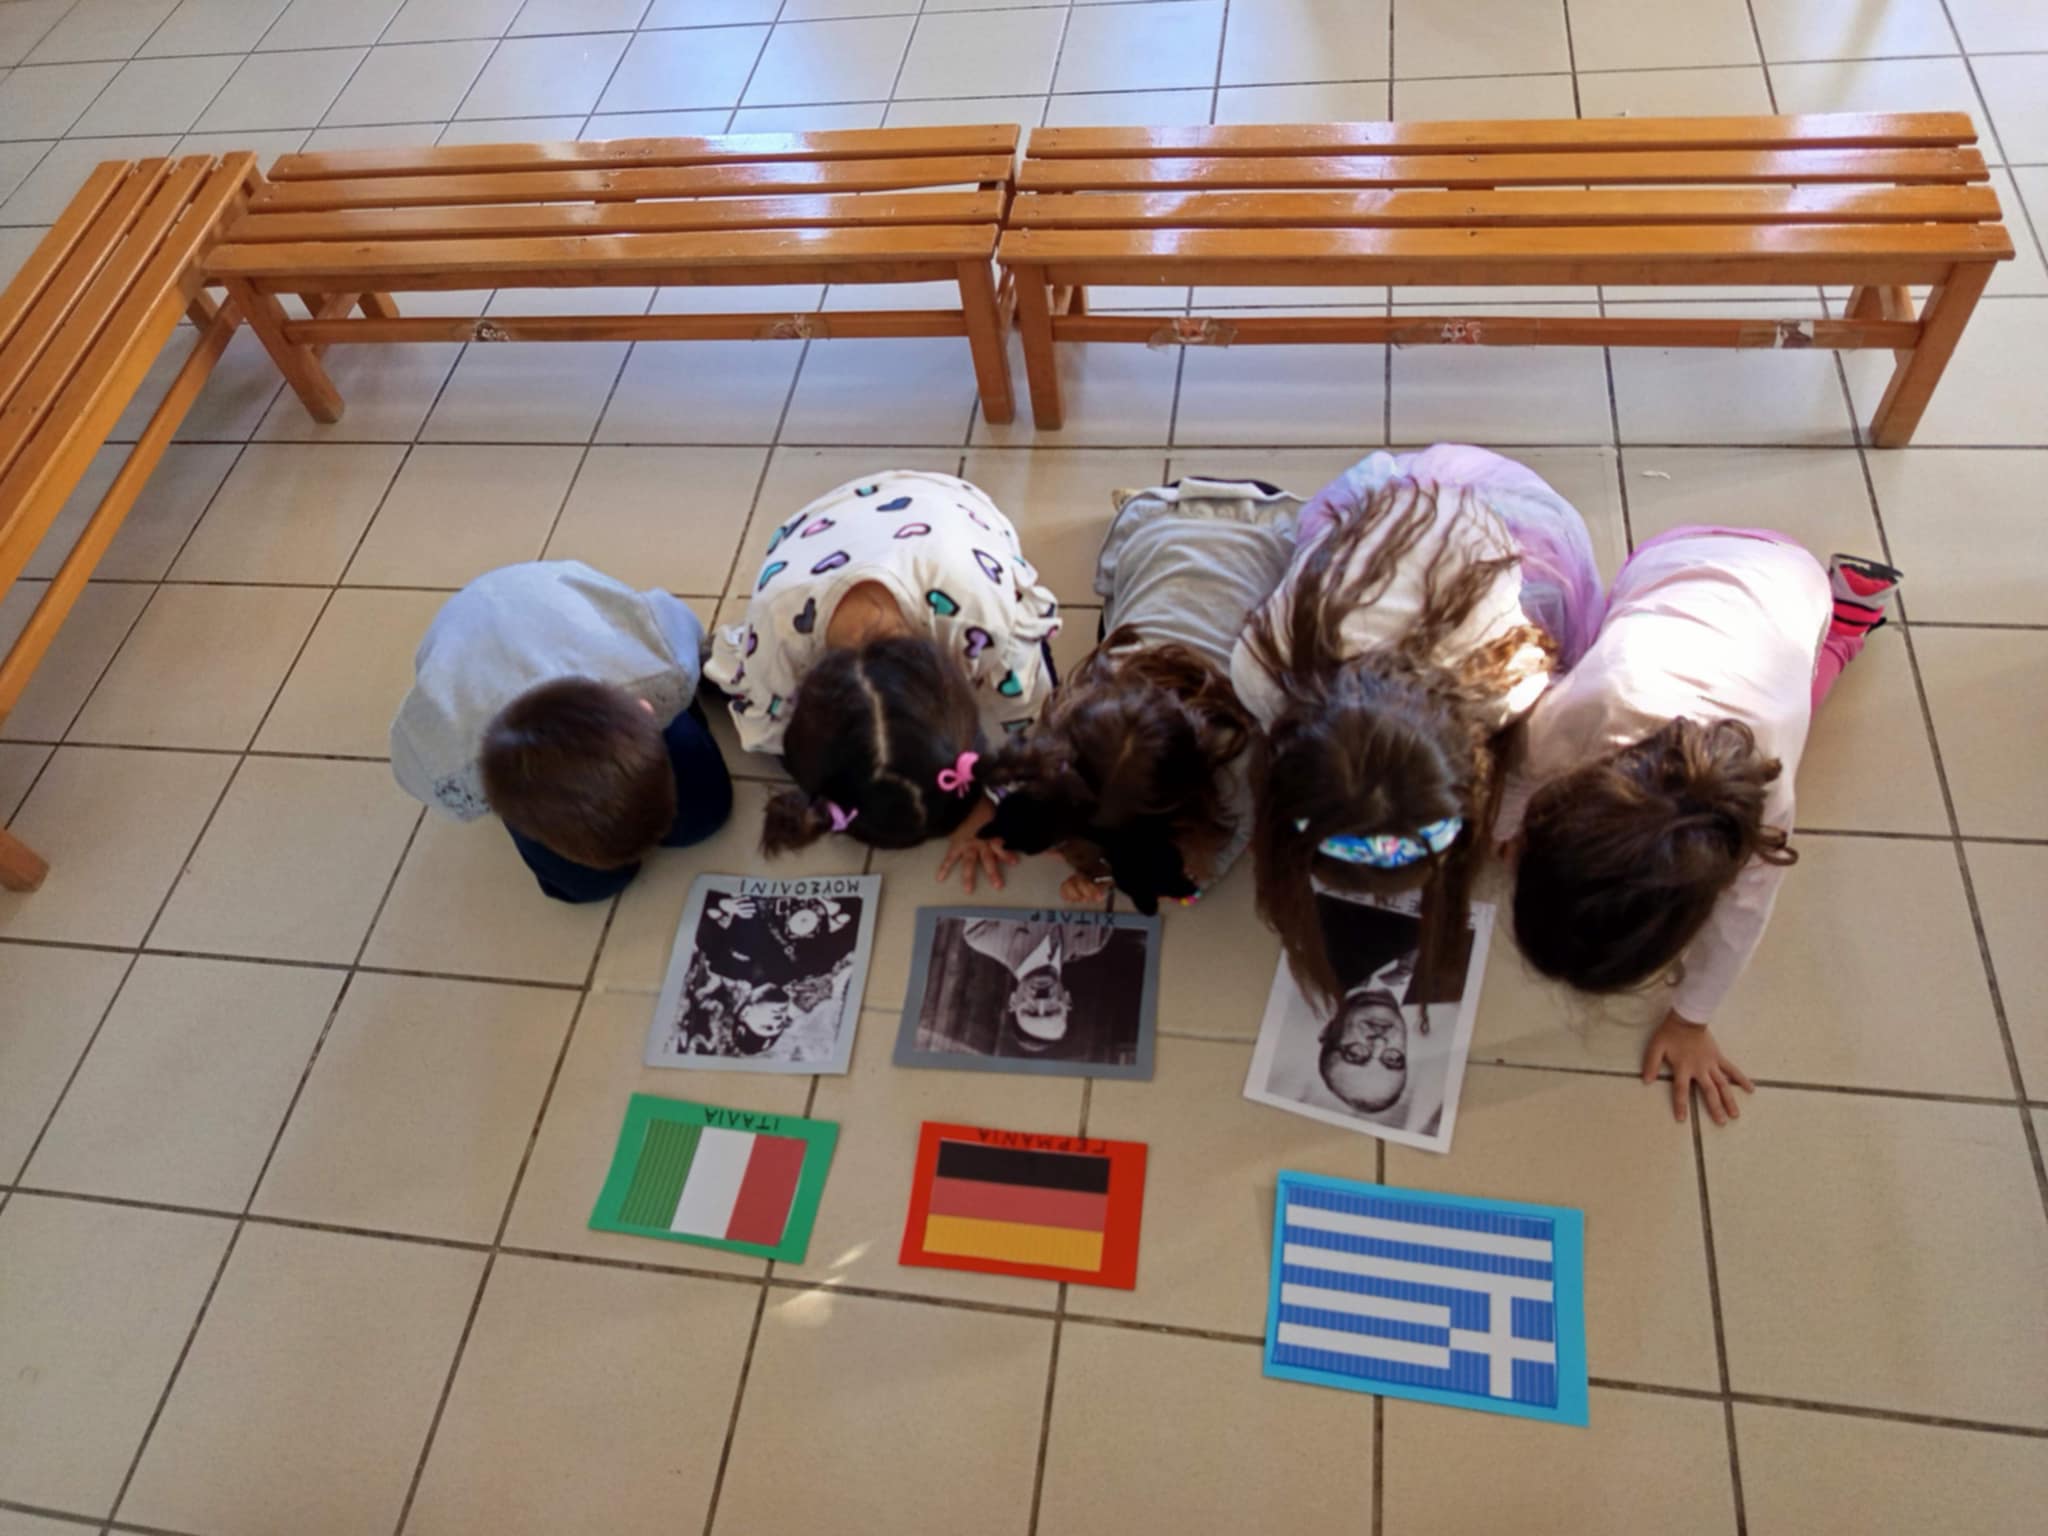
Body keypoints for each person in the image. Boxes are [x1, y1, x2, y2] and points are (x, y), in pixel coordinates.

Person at [1499, 530, 1902, 1127]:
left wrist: (1692, 1020)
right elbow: (1520, 773)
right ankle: (1840, 626)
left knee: (1802, 696)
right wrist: (1503, 829)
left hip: (1789, 591)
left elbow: (1744, 919)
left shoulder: (1764, 803)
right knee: (1782, 697)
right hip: (1677, 559)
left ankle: (1846, 626)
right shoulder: (1580, 709)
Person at [1231, 445, 1602, 1009]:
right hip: (1395, 523)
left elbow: (1522, 771)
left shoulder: (1510, 680)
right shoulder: (1261, 668)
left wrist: (1507, 824)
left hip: (1496, 520)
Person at [706, 471, 1060, 882]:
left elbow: (1031, 719)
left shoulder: (987, 626)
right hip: (821, 544)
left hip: (949, 511)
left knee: (1034, 703)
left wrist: (1020, 808)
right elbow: (776, 733)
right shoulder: (777, 641)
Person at [973, 477, 1299, 913]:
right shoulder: (1085, 699)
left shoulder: (1239, 750)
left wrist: (1183, 882)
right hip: (1166, 517)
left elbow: (1225, 844)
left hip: (1267, 524)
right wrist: (1096, 861)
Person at [391, 560, 732, 903]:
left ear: (646, 710)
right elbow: (410, 766)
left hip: (551, 594)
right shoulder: (448, 768)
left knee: (704, 815)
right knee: (589, 885)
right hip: (461, 648)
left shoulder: (663, 668)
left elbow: (679, 623)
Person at [958, 916, 1114, 1055]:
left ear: (1013, 1001)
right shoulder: (1094, 939)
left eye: (1030, 1011)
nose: (1041, 1001)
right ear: (1067, 1000)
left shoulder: (983, 934)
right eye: (1052, 1010)